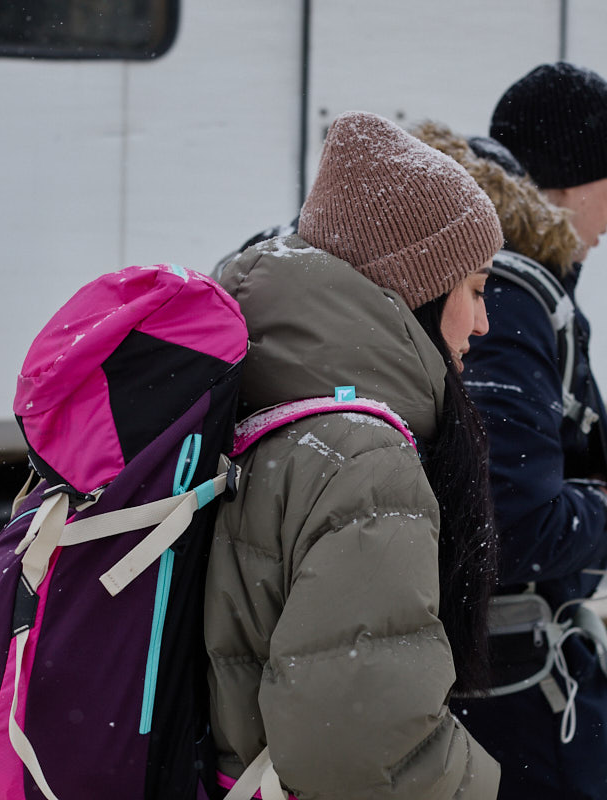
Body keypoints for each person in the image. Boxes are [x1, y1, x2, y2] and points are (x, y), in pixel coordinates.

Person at [205, 110, 504, 799]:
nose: (484, 323)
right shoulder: (364, 465)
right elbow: (363, 746)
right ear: (419, 287)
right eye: (477, 288)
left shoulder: (259, 395)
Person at [414, 62, 607, 799]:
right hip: (505, 682)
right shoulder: (508, 294)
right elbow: (509, 525)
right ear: (572, 181)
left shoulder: (482, 272)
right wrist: (604, 508)